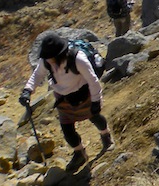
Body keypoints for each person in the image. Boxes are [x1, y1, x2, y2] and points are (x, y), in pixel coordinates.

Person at [19, 32, 112, 173]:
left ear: (59, 55)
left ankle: (106, 137)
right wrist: (27, 91)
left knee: (95, 117)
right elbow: (37, 75)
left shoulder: (77, 59)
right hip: (63, 100)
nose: (47, 61)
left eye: (50, 59)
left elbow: (93, 81)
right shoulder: (47, 60)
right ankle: (79, 153)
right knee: (67, 130)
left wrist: (95, 102)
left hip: (84, 94)